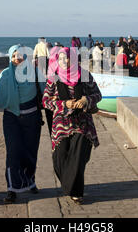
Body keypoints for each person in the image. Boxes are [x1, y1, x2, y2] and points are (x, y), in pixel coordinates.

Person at [0, 45, 45, 204]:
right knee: (13, 152)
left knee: (30, 152)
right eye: (14, 56)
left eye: (21, 56)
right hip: (12, 119)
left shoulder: (35, 73)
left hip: (32, 118)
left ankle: (30, 181)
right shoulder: (5, 75)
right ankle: (12, 189)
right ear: (10, 58)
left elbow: (47, 93)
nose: (17, 59)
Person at [42, 47, 102, 205]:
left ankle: (76, 192)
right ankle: (69, 184)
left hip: (82, 122)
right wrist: (64, 104)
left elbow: (98, 94)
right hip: (61, 123)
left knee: (78, 154)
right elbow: (46, 101)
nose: (64, 61)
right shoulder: (53, 78)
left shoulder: (85, 75)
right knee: (60, 156)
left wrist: (86, 100)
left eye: (67, 58)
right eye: (61, 58)